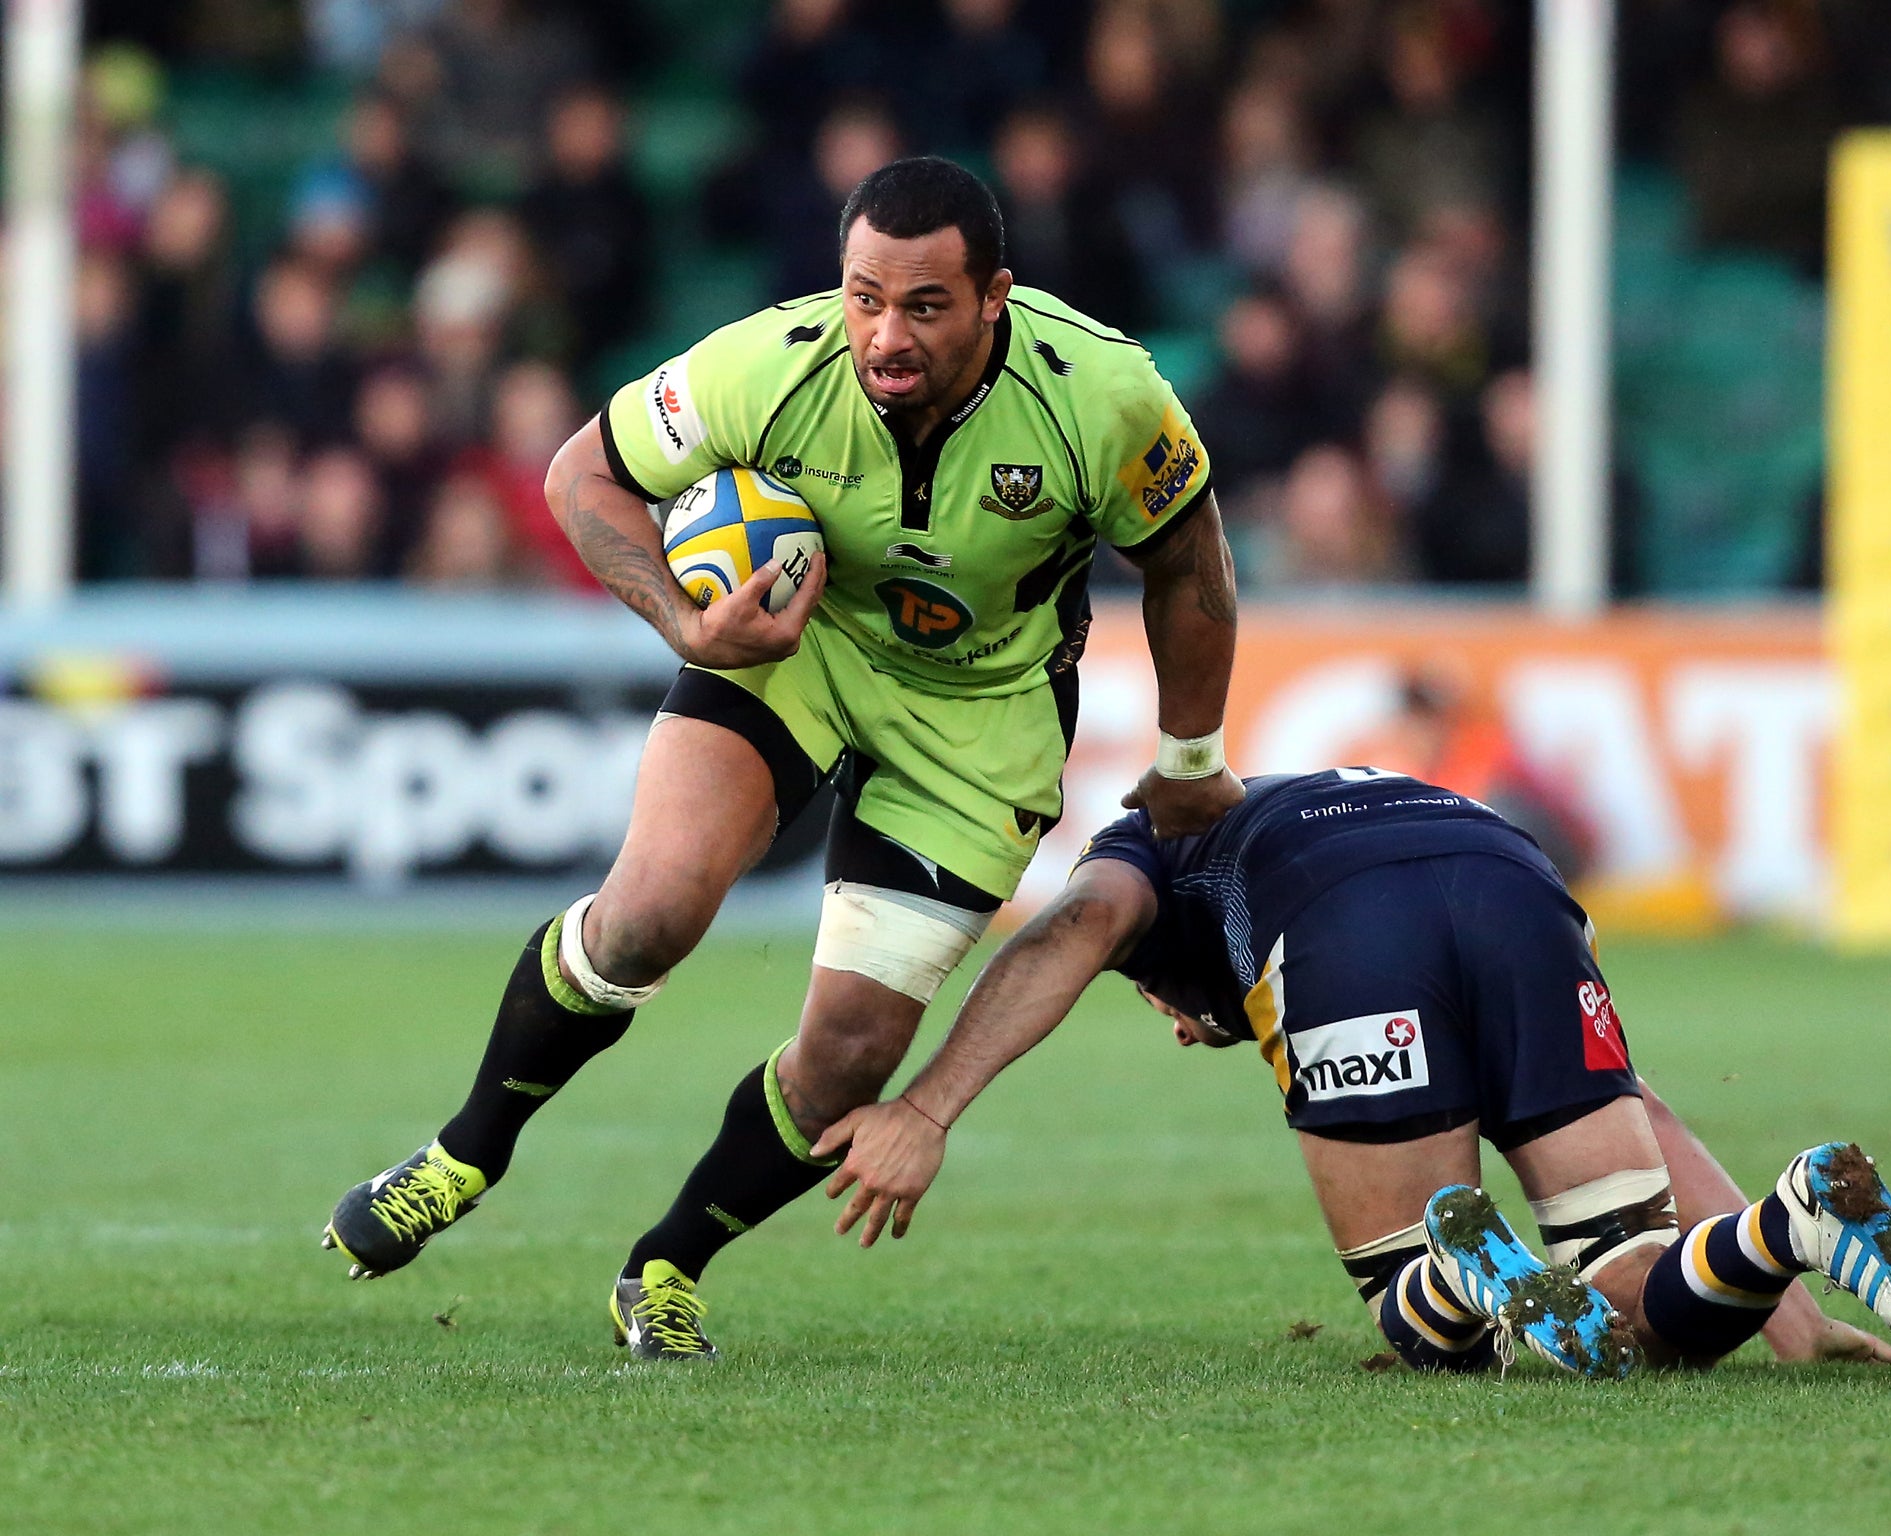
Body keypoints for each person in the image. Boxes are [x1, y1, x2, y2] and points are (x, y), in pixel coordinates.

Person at [322, 156, 1244, 1360]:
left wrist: (1188, 756)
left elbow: (1189, 564)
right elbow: (580, 475)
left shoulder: (1104, 395)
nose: (883, 333)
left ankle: (666, 1265)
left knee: (852, 1055)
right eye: (865, 296)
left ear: (994, 298)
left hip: (980, 718)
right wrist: (684, 621)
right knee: (648, 913)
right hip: (788, 651)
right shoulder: (767, 363)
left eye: (923, 305)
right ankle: (463, 1152)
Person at [816, 768, 1891, 1382]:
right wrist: (1785, 1322)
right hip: (1509, 874)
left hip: (1349, 928)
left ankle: (1459, 1274)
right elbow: (1647, 1111)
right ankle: (1791, 1225)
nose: (1179, 1027)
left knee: (1415, 1318)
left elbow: (1070, 927)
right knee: (1631, 1304)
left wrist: (924, 1108)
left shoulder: (1148, 844)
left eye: (1164, 1009)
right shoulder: (1317, 799)